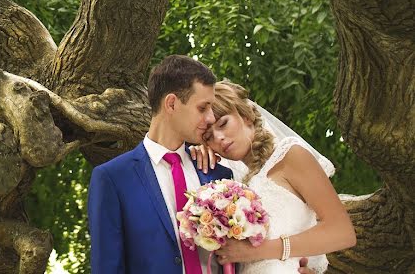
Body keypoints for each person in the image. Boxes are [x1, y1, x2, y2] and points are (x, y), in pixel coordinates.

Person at [87, 55, 233, 273]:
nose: (211, 118)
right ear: (171, 103)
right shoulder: (113, 179)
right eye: (203, 108)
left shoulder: (219, 175)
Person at [192, 81, 356, 274]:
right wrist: (194, 152)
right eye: (209, 137)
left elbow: (342, 232)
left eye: (223, 124)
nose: (218, 138)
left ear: (246, 116)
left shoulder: (290, 155)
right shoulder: (235, 185)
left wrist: (256, 251)